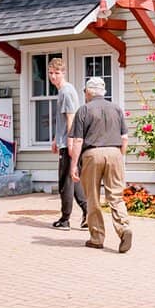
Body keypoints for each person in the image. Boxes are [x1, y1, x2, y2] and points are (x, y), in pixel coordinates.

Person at [68, 77, 133, 253]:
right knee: (116, 196)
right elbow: (125, 138)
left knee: (93, 198)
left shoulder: (84, 110)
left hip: (92, 154)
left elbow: (78, 140)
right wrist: (120, 157)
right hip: (114, 152)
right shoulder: (117, 109)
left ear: (88, 92)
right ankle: (124, 227)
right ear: (103, 92)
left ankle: (97, 238)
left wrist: (73, 165)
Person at [48, 58, 87, 230]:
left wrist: (70, 143)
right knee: (74, 180)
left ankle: (65, 220)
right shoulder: (63, 91)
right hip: (64, 141)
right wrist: (57, 138)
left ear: (63, 73)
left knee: (65, 183)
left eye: (56, 73)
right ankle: (88, 214)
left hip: (69, 144)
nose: (53, 76)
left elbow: (71, 118)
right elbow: (63, 121)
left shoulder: (66, 91)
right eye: (50, 73)